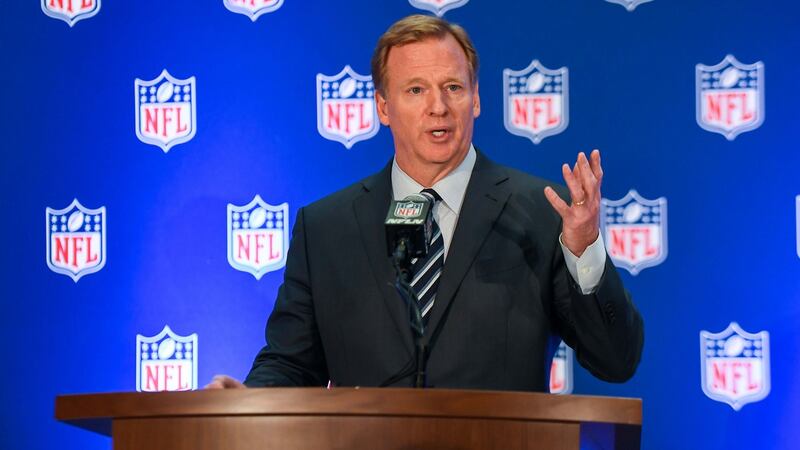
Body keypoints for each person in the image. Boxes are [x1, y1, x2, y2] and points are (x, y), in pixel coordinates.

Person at [206, 14, 643, 391]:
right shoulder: (326, 228)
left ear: (476, 100)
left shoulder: (541, 213)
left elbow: (616, 361)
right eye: (415, 90)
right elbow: (291, 362)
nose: (438, 107)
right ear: (382, 106)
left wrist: (584, 249)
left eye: (453, 86)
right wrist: (245, 397)